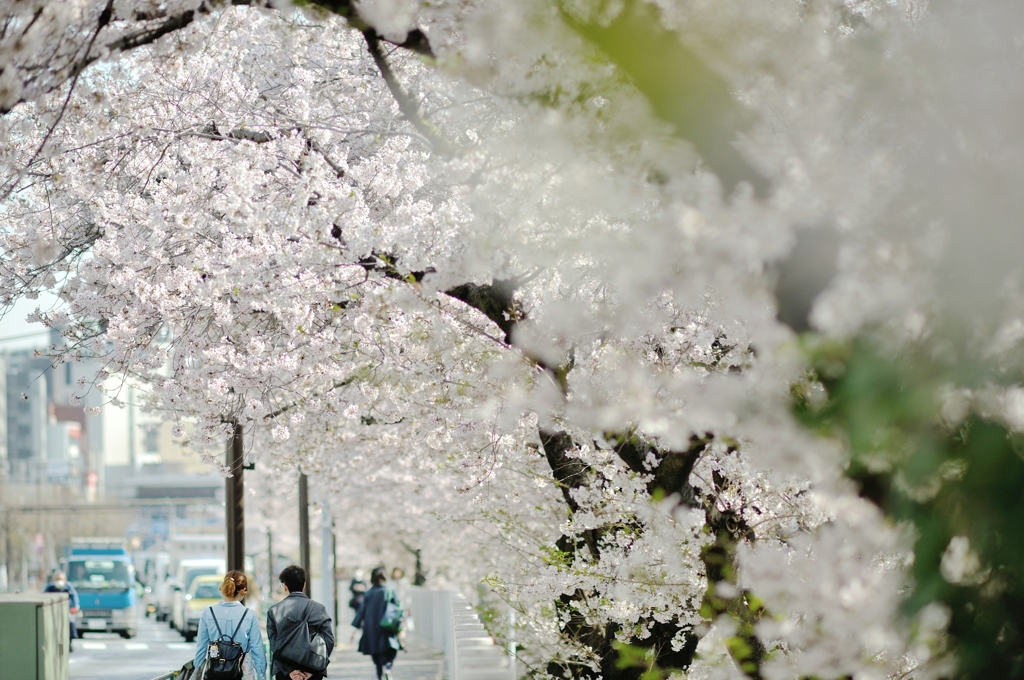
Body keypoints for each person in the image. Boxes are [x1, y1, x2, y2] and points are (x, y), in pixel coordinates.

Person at [194, 571, 267, 679]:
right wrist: (262, 676)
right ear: (243, 590)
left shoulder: (208, 613)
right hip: (242, 672)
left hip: (215, 671)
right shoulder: (250, 615)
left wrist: (197, 673)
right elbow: (257, 650)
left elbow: (201, 649)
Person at [267, 565, 335, 680]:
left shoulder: (274, 611)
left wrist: (291, 671)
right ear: (304, 585)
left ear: (284, 586)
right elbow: (329, 640)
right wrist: (312, 669)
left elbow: (274, 644)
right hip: (312, 671)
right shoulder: (318, 608)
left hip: (285, 672)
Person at [351, 567, 401, 680]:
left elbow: (361, 611)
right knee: (391, 649)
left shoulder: (368, 593)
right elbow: (398, 607)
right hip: (387, 626)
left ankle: (380, 675)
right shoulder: (389, 590)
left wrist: (354, 629)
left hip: (371, 628)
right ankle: (388, 668)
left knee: (376, 655)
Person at [44, 571, 80, 652]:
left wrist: (75, 606)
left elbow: (74, 597)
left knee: (70, 623)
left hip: (67, 611)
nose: (58, 581)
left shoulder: (68, 587)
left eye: (60, 579)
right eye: (57, 579)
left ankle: (70, 643)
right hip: (53, 612)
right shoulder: (50, 588)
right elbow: (44, 597)